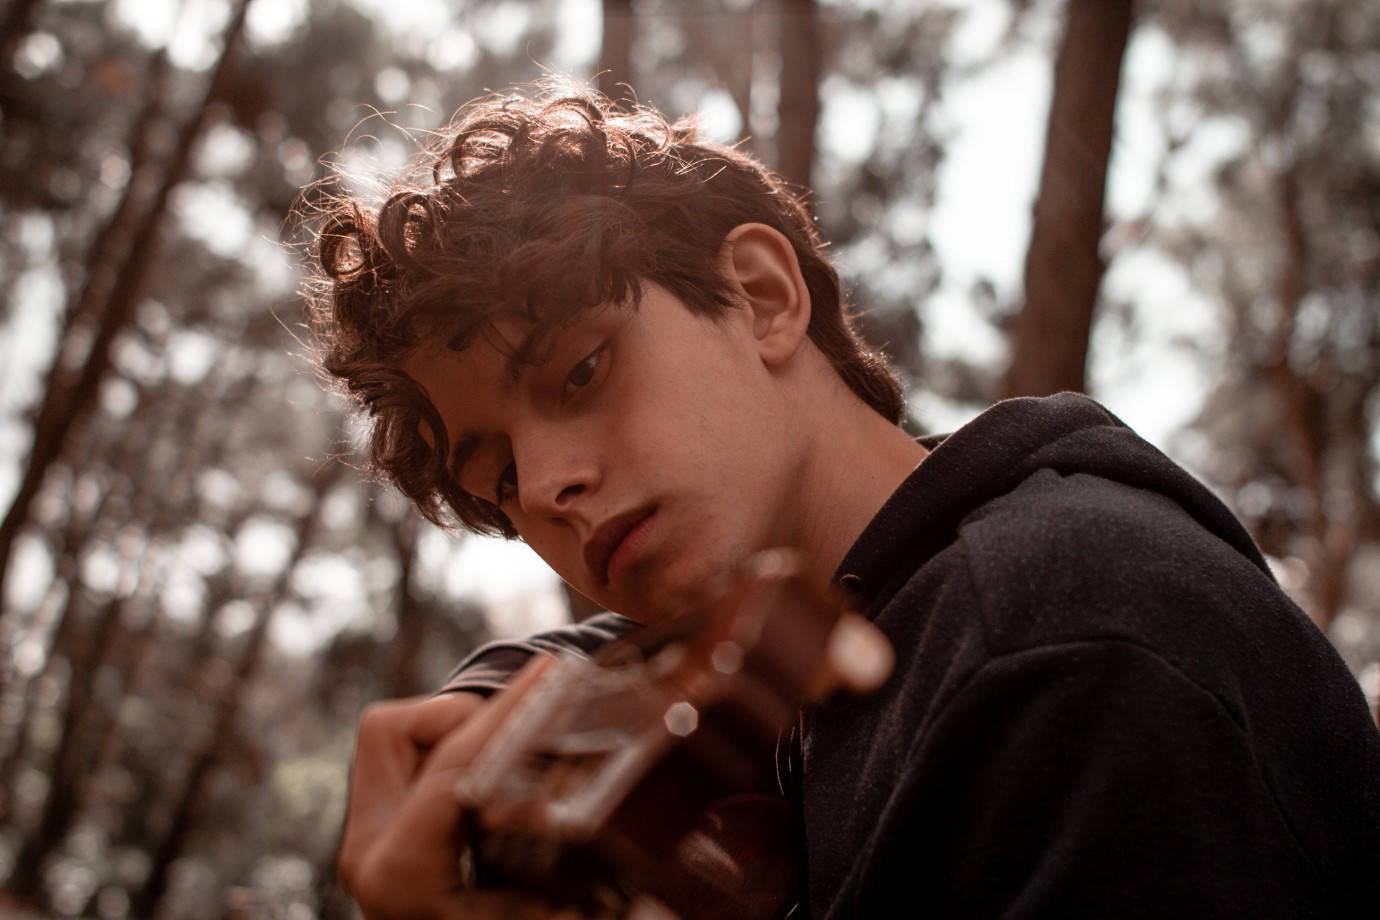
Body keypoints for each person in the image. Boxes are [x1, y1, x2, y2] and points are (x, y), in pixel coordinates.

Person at [306, 79, 1380, 918]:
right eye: (498, 476)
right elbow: (619, 653)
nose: (546, 487)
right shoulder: (810, 671)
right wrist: (503, 704)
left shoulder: (1052, 638)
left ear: (764, 297)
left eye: (582, 371)